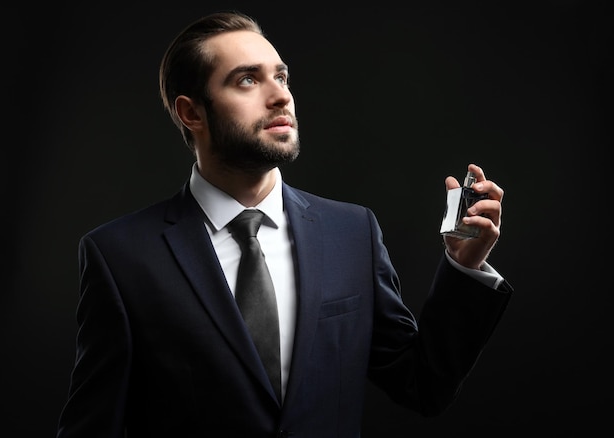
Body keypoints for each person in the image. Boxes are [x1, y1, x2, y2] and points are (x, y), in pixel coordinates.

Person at [56, 10, 512, 438]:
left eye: (281, 76)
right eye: (247, 80)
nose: (281, 95)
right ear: (191, 113)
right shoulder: (120, 256)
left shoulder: (352, 232)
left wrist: (463, 269)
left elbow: (421, 386)